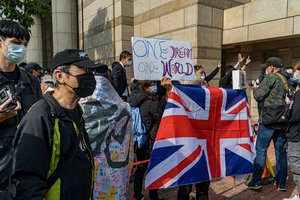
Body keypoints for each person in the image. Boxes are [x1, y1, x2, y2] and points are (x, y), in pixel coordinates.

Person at [10, 49, 101, 199]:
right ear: (60, 76)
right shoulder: (40, 117)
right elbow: (26, 182)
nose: (90, 77)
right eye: (83, 70)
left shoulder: (76, 111)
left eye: (91, 71)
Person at [0, 19, 42, 199]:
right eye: (16, 43)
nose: (22, 49)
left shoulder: (31, 81)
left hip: (27, 170)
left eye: (25, 44)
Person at [245, 57, 288, 191]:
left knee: (261, 150)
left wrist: (255, 87)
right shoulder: (287, 77)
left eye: (267, 67)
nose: (266, 69)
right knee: (281, 152)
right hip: (282, 119)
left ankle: (255, 180)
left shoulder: (271, 77)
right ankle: (281, 183)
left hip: (268, 119)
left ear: (271, 67)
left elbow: (258, 96)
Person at [129, 80, 163, 200]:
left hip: (139, 139)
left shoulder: (133, 99)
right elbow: (160, 119)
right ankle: (154, 197)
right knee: (153, 169)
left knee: (141, 167)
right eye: (152, 85)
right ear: (146, 87)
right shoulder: (151, 102)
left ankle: (137, 195)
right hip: (150, 140)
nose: (155, 87)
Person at [283, 65, 300, 200]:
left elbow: (294, 116)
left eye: (297, 71)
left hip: (296, 134)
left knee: (296, 164)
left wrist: (288, 109)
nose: (295, 74)